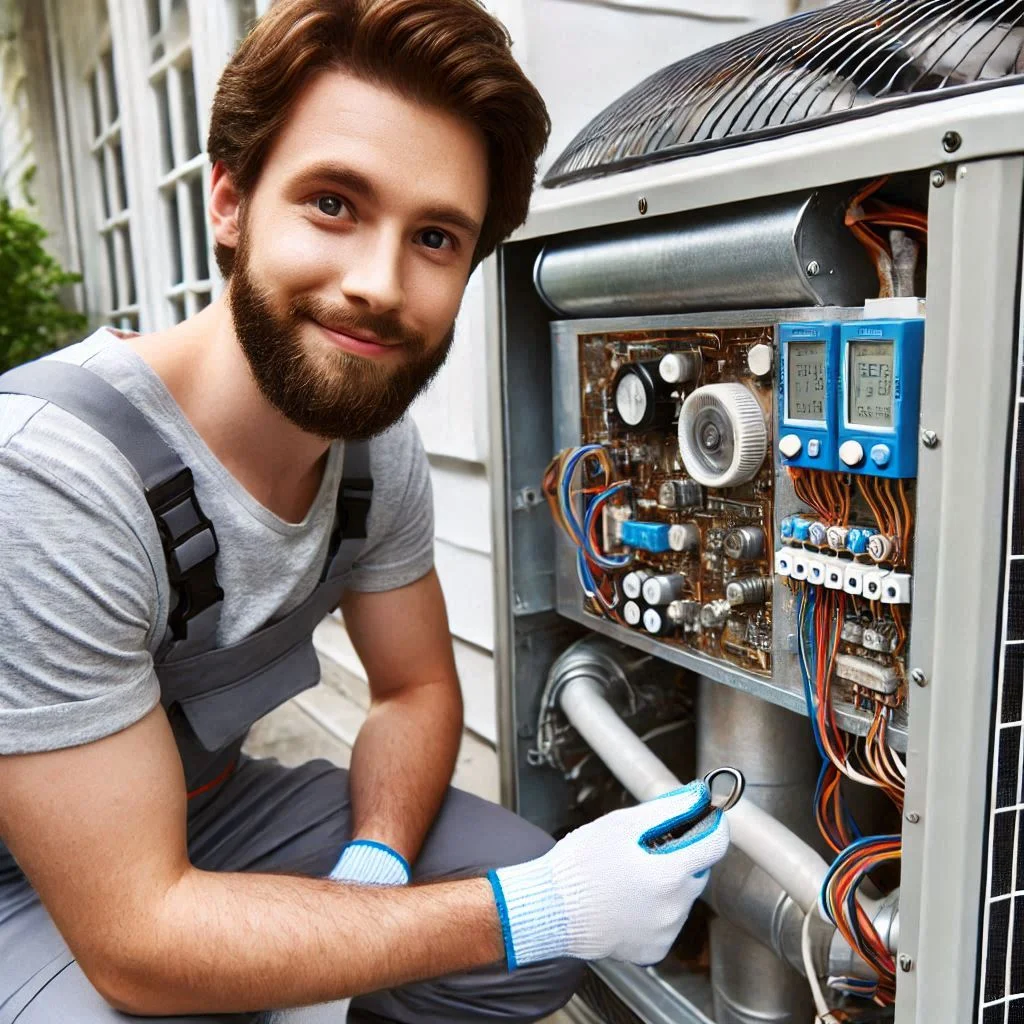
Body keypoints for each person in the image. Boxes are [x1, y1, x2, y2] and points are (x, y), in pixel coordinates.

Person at [0, 1, 730, 1021]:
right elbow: (133, 938)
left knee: (515, 909)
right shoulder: (52, 479)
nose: (378, 285)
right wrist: (536, 909)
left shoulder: (371, 454)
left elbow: (415, 688)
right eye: (333, 203)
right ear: (230, 200)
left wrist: (376, 866)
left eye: (434, 236)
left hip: (207, 818)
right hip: (34, 889)